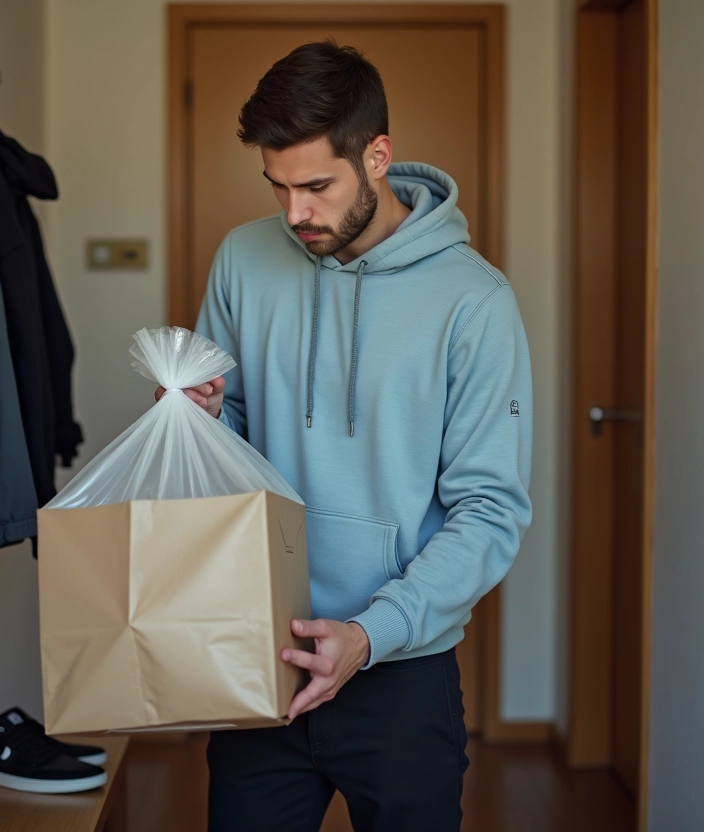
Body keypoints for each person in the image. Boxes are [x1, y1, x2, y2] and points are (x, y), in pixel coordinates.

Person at [158, 40, 532, 832]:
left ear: (378, 156)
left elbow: (489, 513)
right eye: (278, 186)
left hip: (400, 670)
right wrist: (203, 415)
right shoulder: (244, 259)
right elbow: (236, 442)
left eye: (317, 186)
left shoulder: (476, 303)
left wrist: (370, 634)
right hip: (259, 652)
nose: (295, 213)